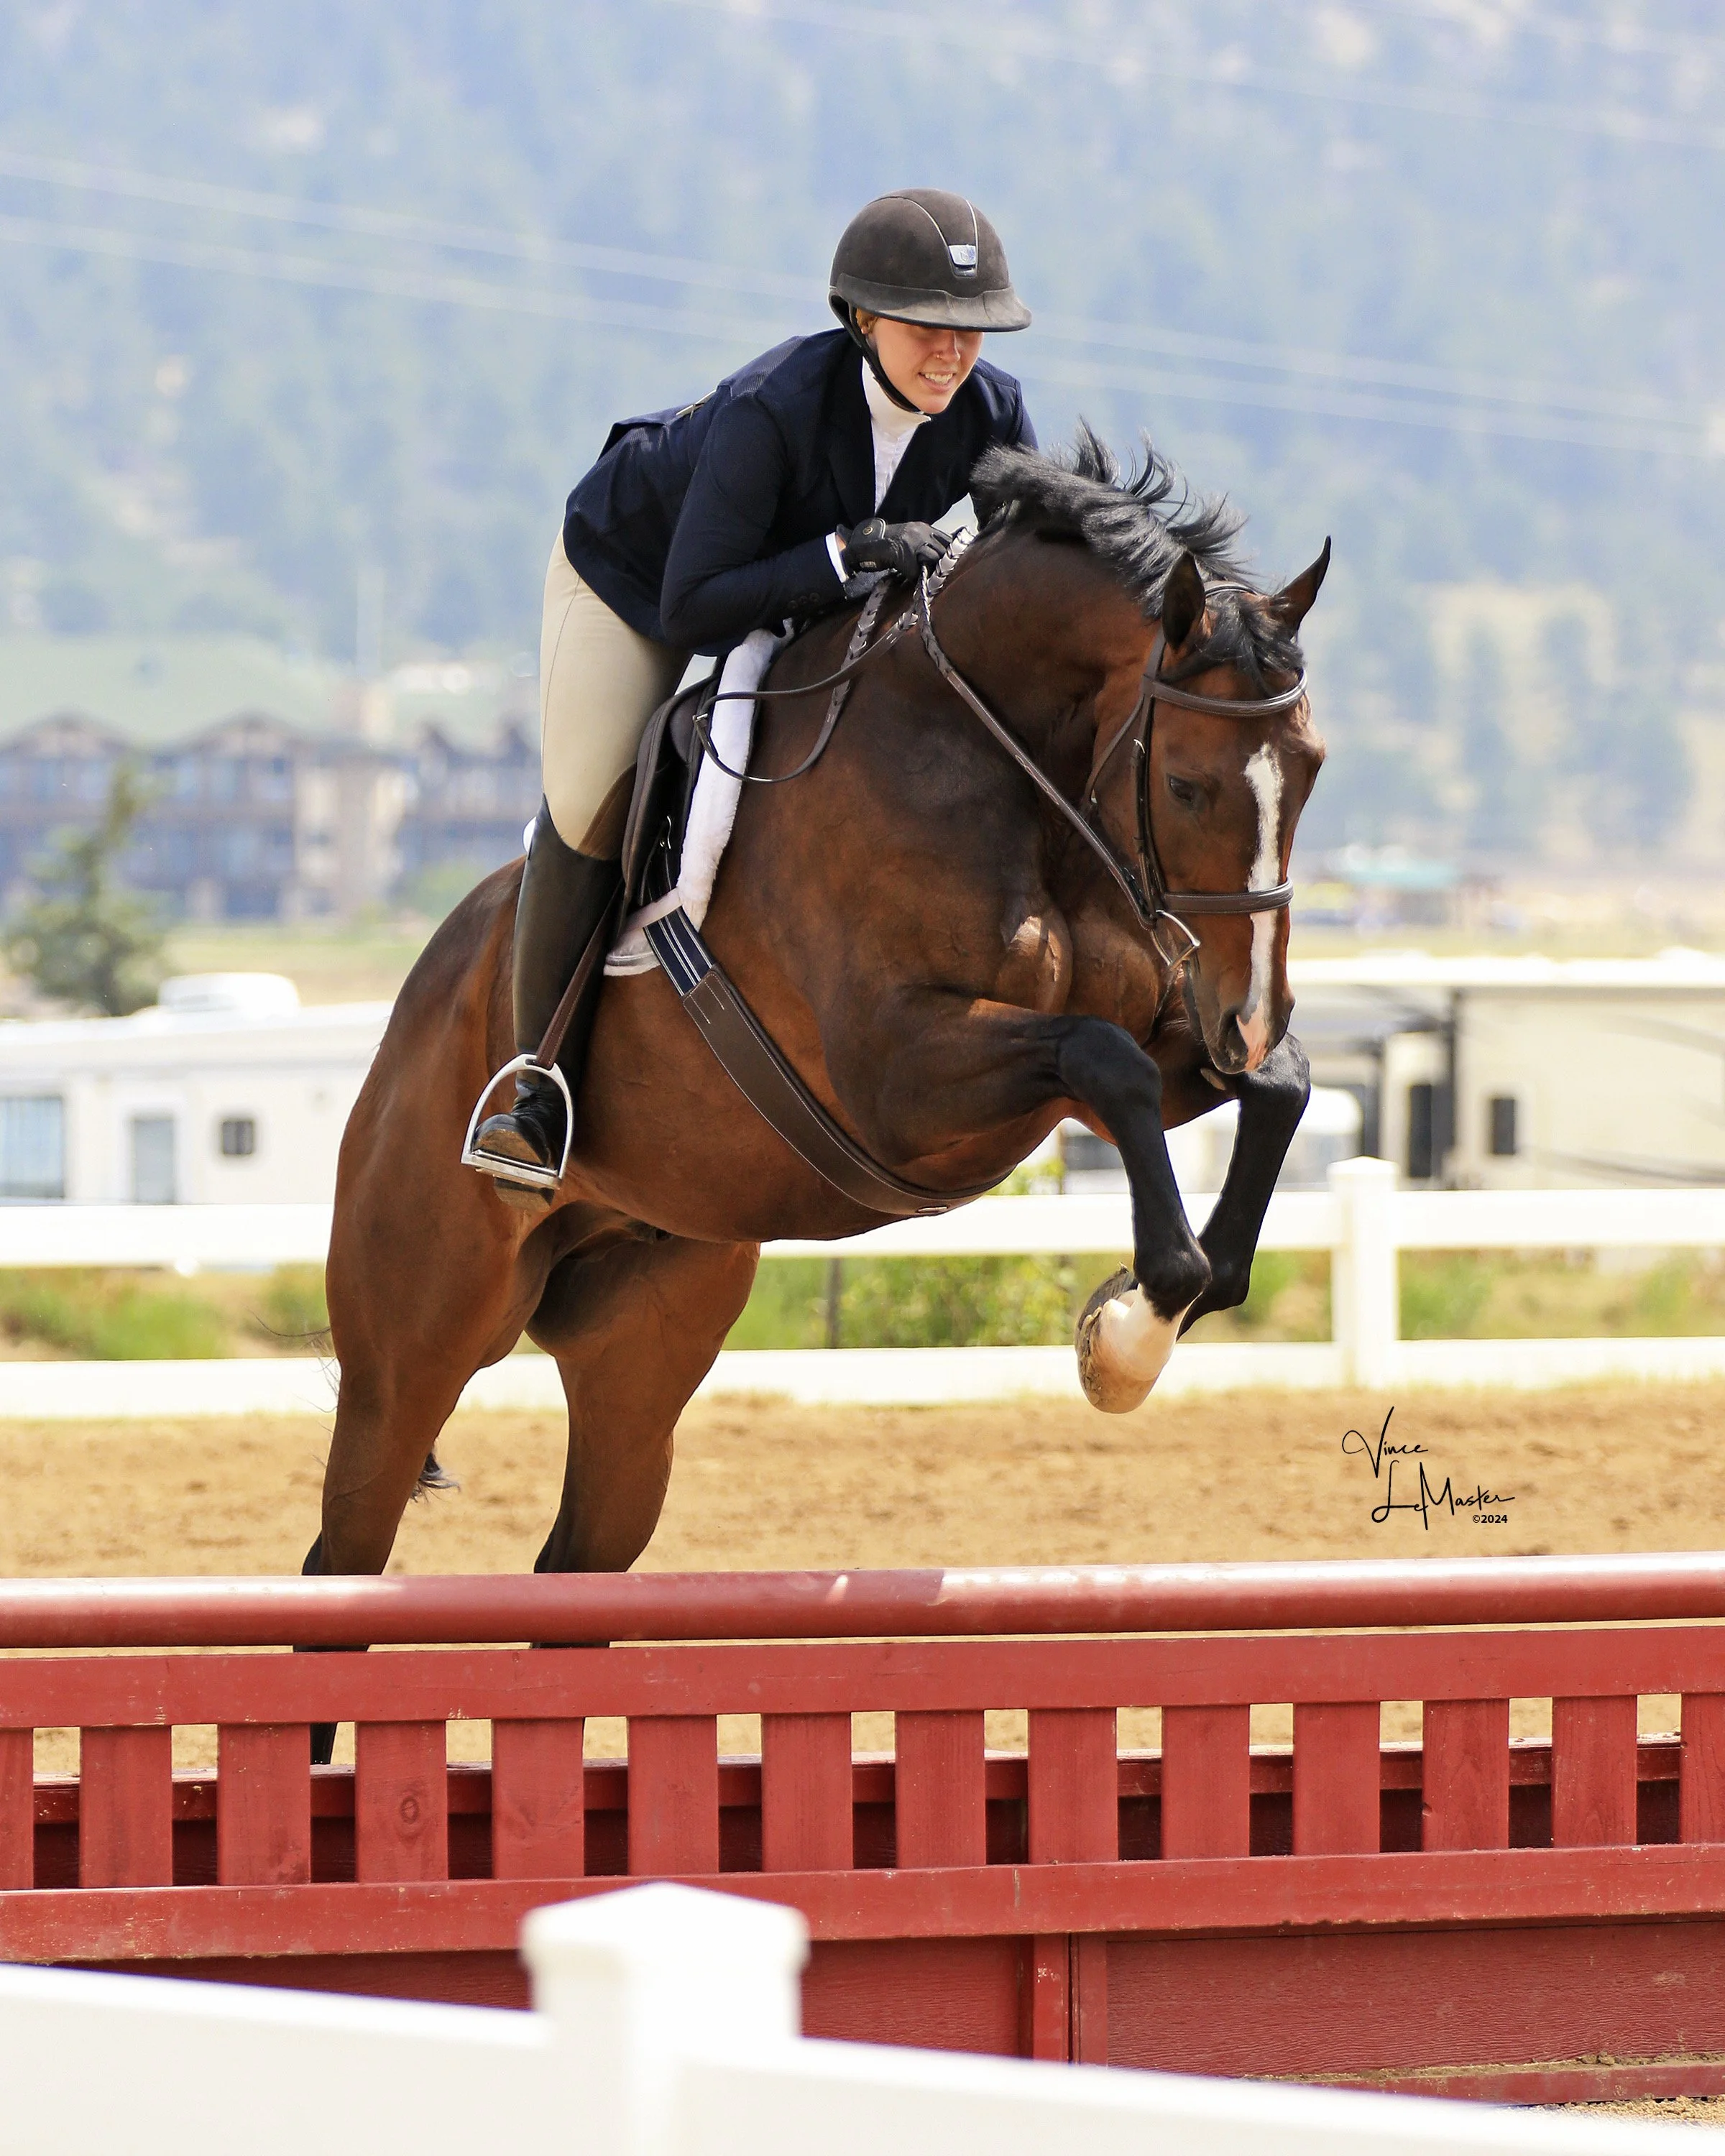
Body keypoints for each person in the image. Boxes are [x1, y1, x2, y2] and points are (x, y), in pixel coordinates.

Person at [468, 188, 1036, 1191]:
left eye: (971, 334)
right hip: (640, 584)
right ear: (861, 320)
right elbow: (696, 609)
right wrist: (849, 551)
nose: (952, 354)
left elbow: (1022, 566)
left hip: (792, 589)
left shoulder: (989, 413)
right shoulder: (773, 410)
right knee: (594, 799)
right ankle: (536, 1088)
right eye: (927, 330)